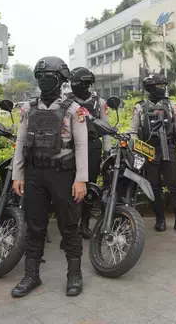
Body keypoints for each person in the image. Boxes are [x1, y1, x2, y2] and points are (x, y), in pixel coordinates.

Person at [10, 56, 88, 298]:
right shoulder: (28, 108)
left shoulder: (74, 109)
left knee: (69, 226)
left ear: (61, 80)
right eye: (41, 77)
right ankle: (31, 275)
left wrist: (81, 179)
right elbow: (21, 143)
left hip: (63, 175)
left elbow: (82, 145)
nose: (44, 81)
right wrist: (17, 174)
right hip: (34, 175)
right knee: (34, 226)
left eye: (50, 77)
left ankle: (74, 275)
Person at [129, 74, 176, 233]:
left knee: (175, 185)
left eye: (164, 85)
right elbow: (133, 132)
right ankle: (160, 220)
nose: (163, 88)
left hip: (169, 148)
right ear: (150, 87)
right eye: (160, 85)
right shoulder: (140, 107)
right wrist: (138, 149)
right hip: (149, 150)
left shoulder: (171, 105)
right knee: (154, 187)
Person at [68, 67, 111, 239]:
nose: (73, 86)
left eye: (76, 83)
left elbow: (106, 127)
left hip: (92, 146)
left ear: (86, 84)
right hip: (70, 147)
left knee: (88, 185)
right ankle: (70, 226)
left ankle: (84, 224)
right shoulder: (67, 101)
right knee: (68, 186)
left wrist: (107, 151)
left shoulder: (99, 102)